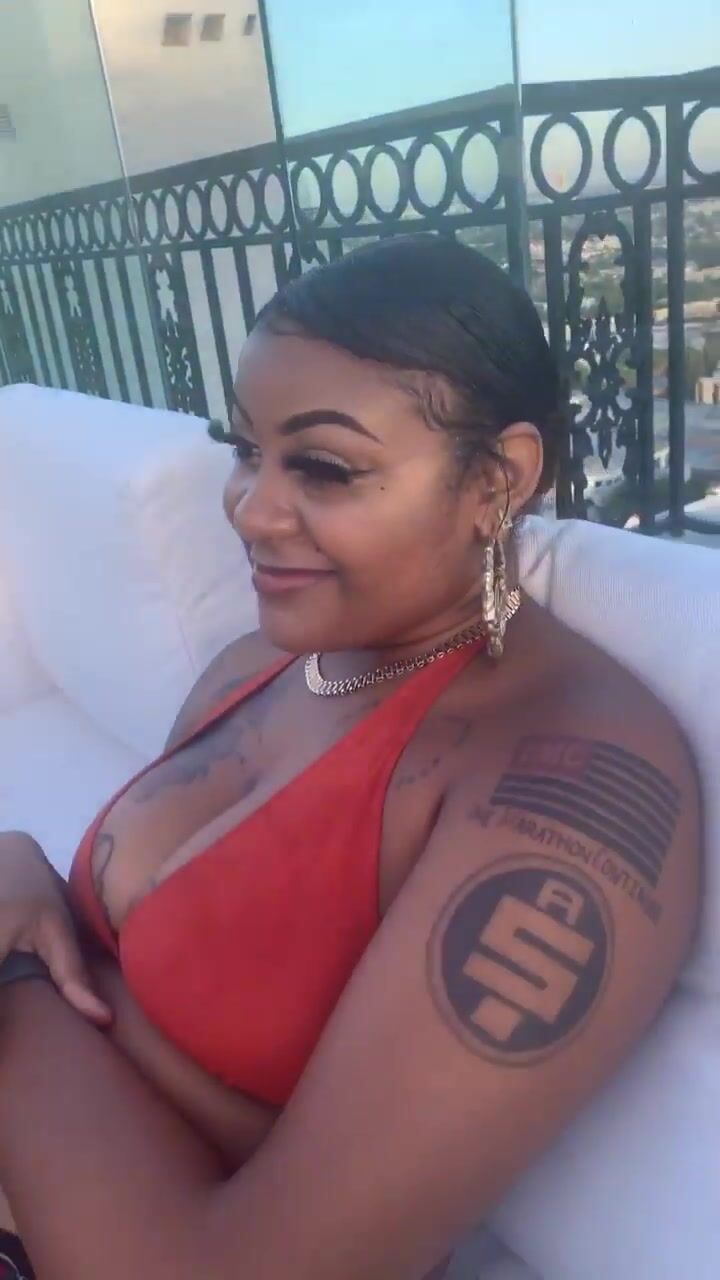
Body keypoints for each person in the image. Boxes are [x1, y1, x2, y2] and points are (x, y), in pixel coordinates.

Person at [0, 235, 700, 1280]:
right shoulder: (259, 665)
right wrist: (22, 865)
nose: (250, 508)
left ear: (499, 478)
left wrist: (18, 984)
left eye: (323, 467)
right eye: (245, 450)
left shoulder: (566, 788)